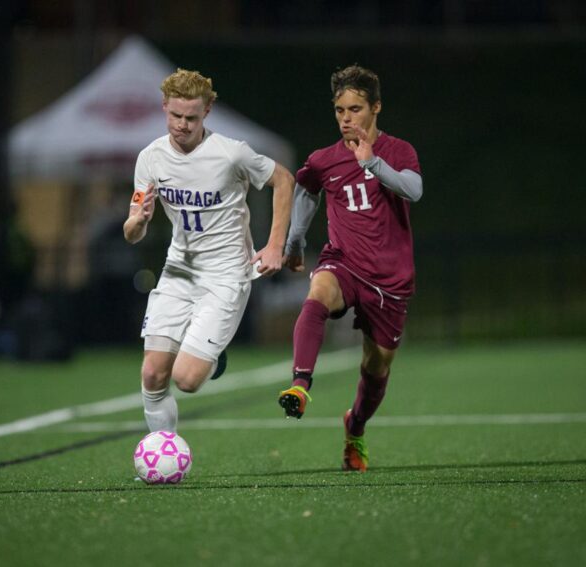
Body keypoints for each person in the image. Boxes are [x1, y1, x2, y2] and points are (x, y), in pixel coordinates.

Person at [124, 68, 294, 433]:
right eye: (175, 115)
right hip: (178, 272)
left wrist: (276, 243)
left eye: (191, 117)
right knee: (153, 373)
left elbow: (284, 179)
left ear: (207, 113)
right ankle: (163, 452)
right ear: (164, 106)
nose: (182, 125)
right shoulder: (150, 158)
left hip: (226, 276)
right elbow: (132, 228)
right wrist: (137, 222)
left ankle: (211, 358)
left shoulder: (231, 154)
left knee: (185, 379)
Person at [278, 65, 423, 472]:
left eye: (355, 108)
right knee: (318, 293)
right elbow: (307, 190)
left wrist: (372, 162)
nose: (346, 118)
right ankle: (300, 385)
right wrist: (294, 241)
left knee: (376, 366)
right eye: (340, 109)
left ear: (376, 107)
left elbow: (414, 190)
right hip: (344, 262)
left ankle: (355, 427)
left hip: (391, 279)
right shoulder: (324, 160)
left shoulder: (399, 151)